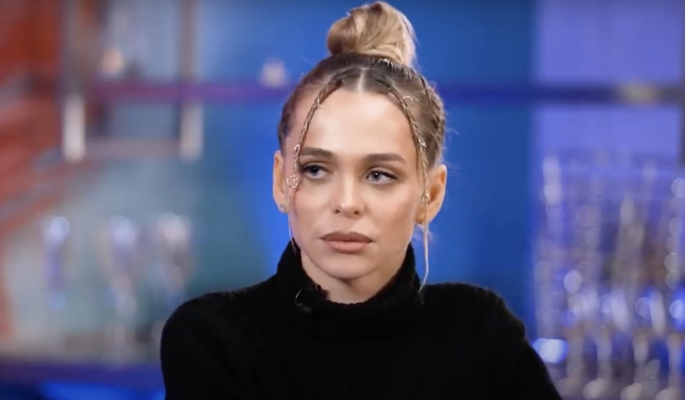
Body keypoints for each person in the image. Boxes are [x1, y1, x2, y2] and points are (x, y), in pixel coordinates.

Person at [160, 2, 562, 399]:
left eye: (379, 175)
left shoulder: (482, 335)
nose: (347, 202)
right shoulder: (214, 339)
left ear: (432, 194)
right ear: (282, 182)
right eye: (316, 169)